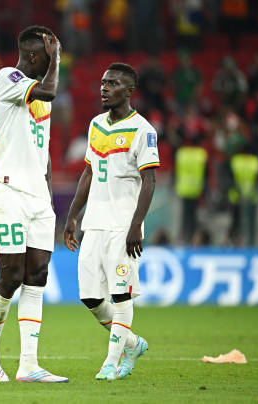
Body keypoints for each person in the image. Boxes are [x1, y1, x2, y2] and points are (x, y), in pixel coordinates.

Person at [0, 26, 68, 384]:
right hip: (7, 191)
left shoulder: (40, 98)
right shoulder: (8, 78)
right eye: (48, 54)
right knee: (12, 275)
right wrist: (57, 59)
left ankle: (29, 364)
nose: (53, 60)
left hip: (37, 197)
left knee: (38, 275)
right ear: (34, 56)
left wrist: (48, 198)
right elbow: (49, 89)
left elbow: (43, 152)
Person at [63, 63, 159, 381]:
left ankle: (111, 363)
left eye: (113, 83)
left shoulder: (143, 130)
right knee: (91, 298)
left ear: (129, 91)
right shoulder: (96, 125)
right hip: (94, 223)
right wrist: (73, 215)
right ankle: (132, 344)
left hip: (123, 225)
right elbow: (89, 172)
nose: (105, 88)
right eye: (103, 82)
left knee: (121, 294)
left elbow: (150, 180)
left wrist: (136, 225)